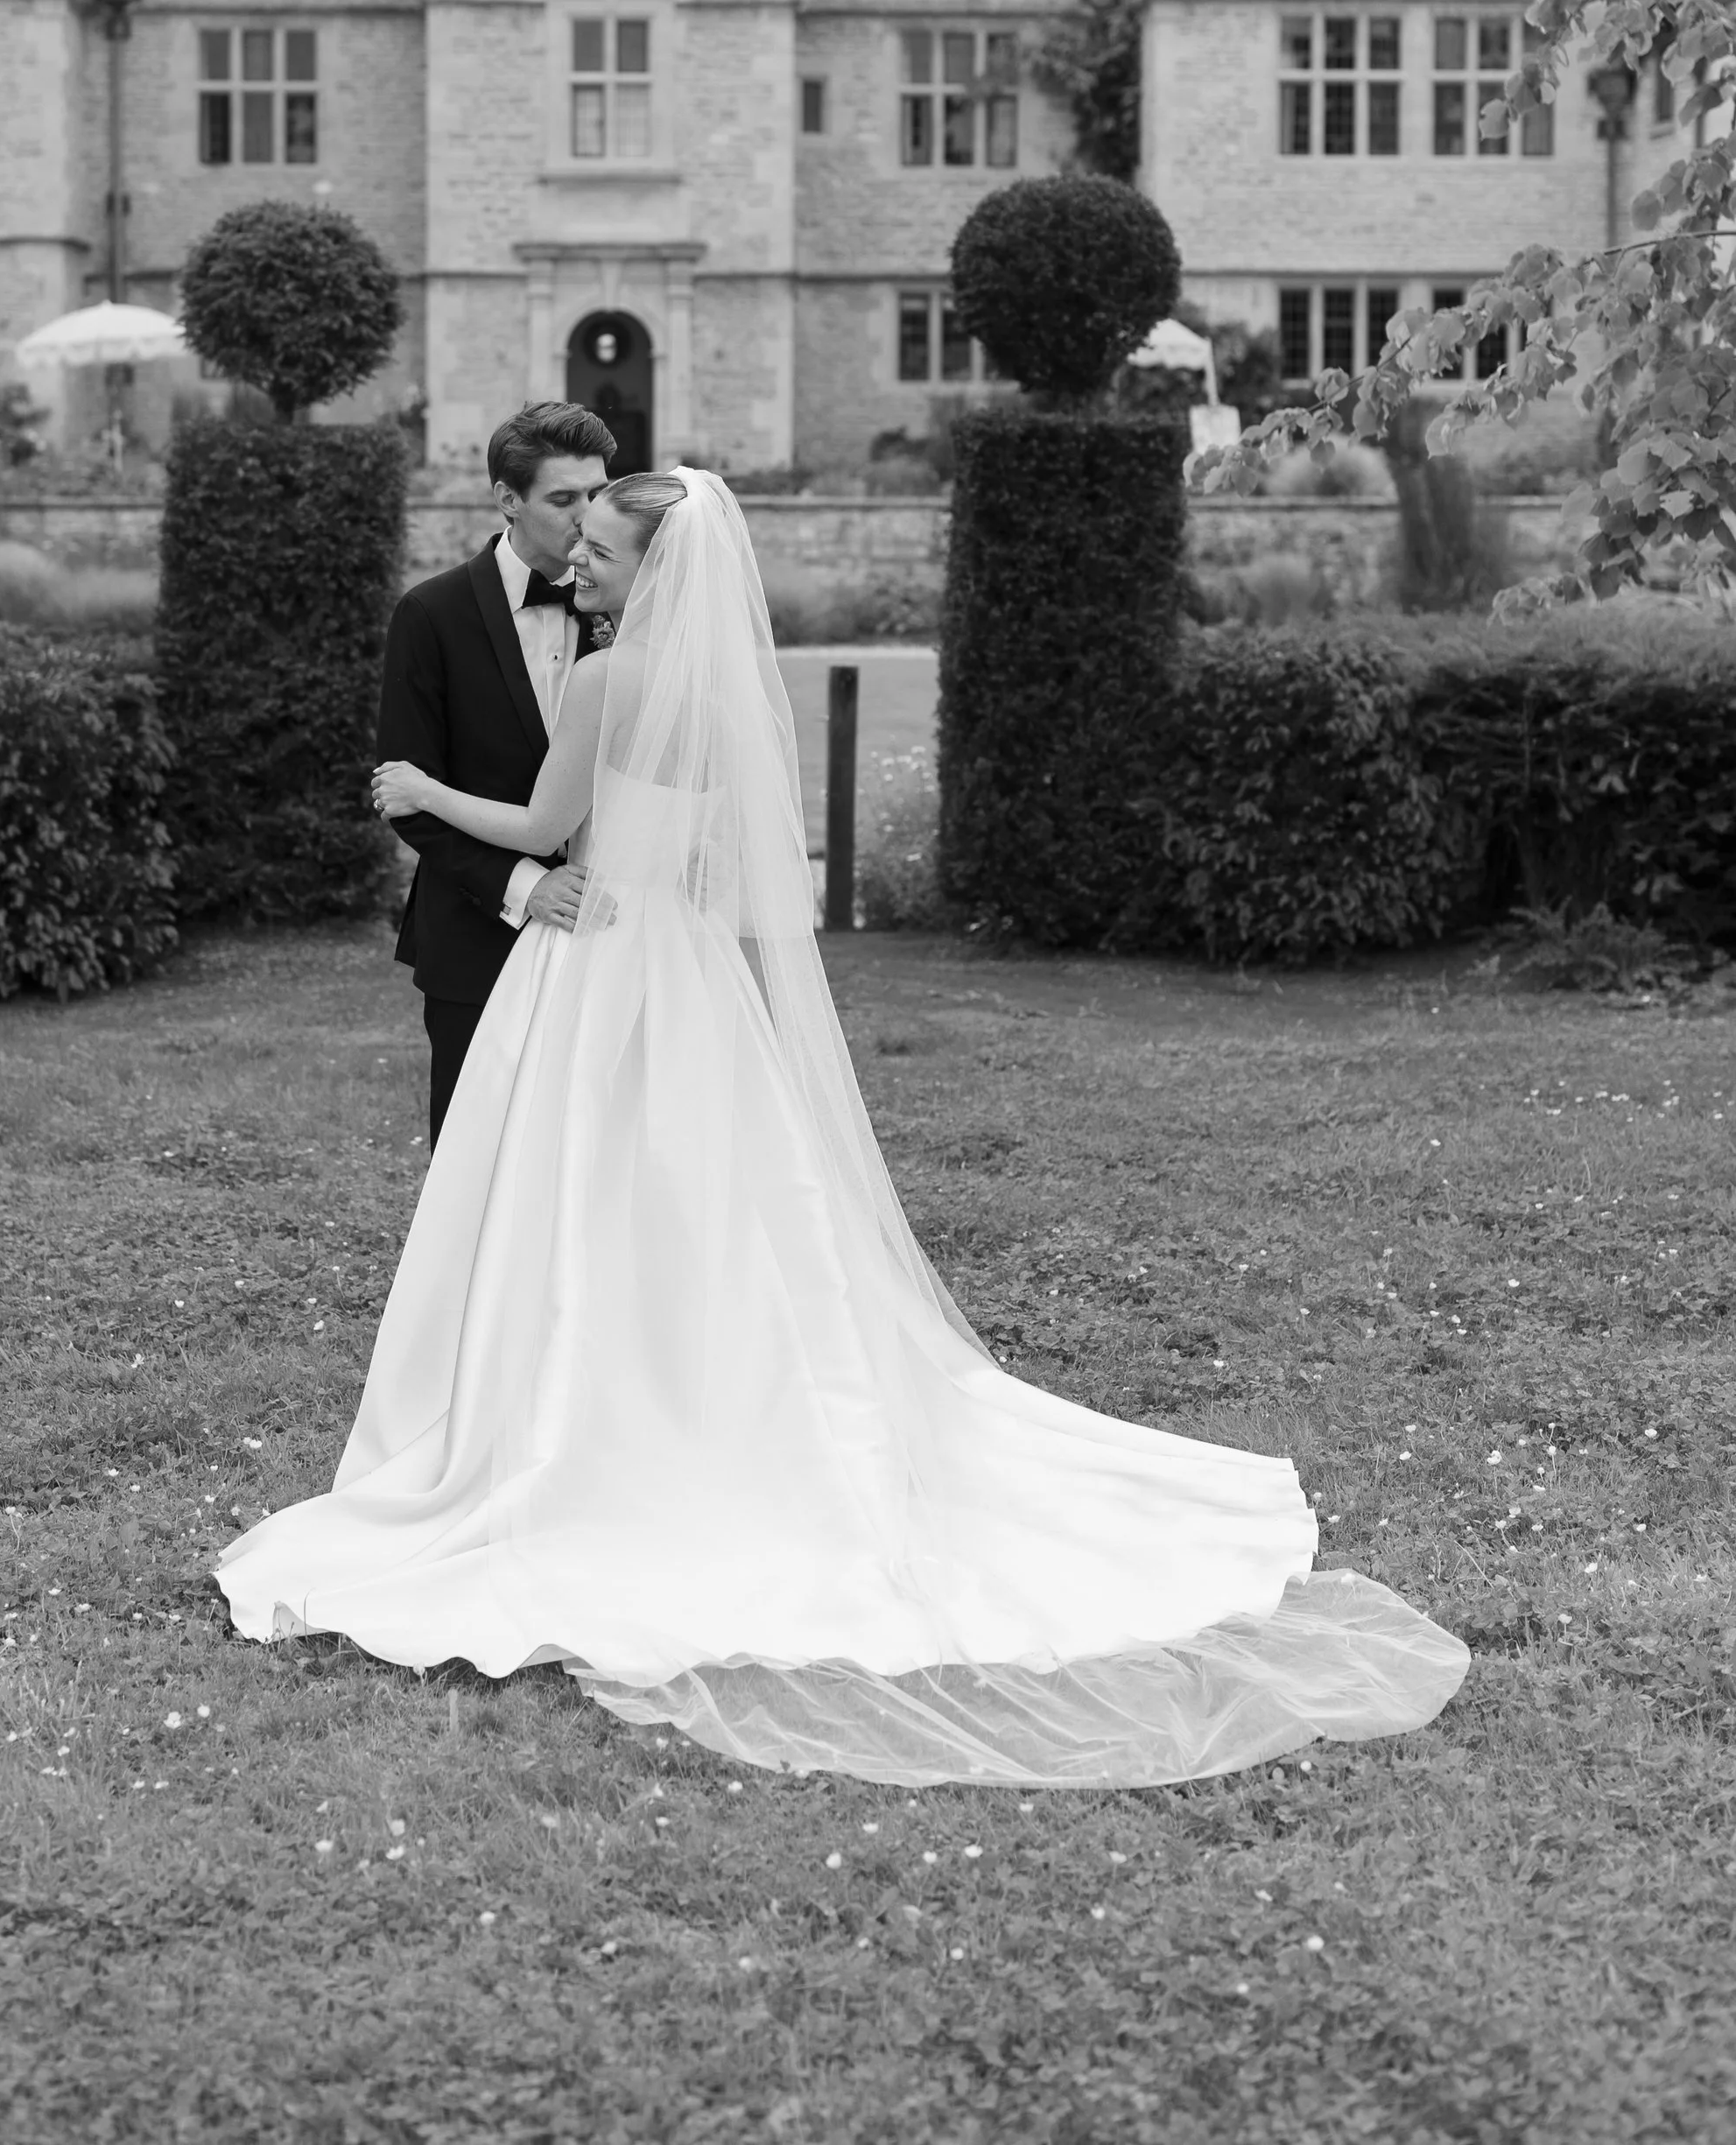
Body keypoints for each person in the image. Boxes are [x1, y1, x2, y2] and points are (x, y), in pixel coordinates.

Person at [218, 468, 1468, 1787]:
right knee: (719, 1211)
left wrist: (419, 788)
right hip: (689, 972)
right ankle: (693, 1399)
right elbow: (712, 859)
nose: (576, 567)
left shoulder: (603, 681)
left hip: (596, 966)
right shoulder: (718, 692)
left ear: (655, 570)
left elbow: (541, 827)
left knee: (579, 1200)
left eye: (596, 551)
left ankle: (593, 1421)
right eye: (574, 543)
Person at [375, 400, 616, 1148]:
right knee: (474, 1155)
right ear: (507, 499)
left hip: (609, 935)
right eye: (563, 498)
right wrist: (526, 886)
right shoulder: (430, 614)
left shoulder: (630, 613)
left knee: (590, 1156)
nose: (585, 517)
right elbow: (408, 795)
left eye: (597, 494)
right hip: (475, 935)